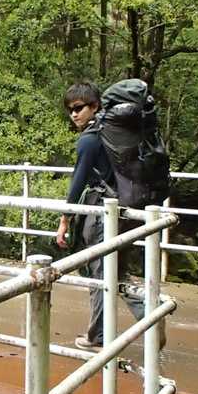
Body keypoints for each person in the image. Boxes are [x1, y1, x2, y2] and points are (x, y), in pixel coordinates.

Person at [54, 82, 147, 352]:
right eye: (70, 110)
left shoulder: (90, 139)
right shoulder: (113, 134)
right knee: (116, 270)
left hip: (102, 213)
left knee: (99, 274)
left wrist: (65, 219)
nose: (74, 114)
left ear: (94, 106)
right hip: (126, 210)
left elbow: (78, 181)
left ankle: (97, 337)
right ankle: (149, 311)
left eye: (79, 108)